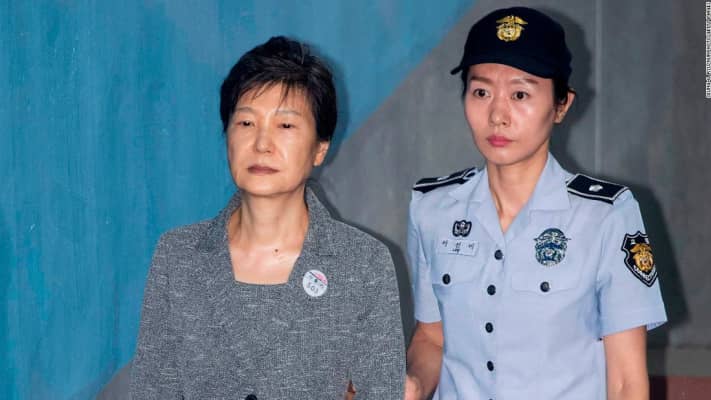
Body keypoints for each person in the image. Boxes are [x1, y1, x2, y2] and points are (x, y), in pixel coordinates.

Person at [404, 7, 666, 400]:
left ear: (561, 105)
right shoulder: (431, 209)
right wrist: (413, 384)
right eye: (481, 92)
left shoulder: (607, 216)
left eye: (520, 94)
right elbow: (432, 338)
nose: (498, 115)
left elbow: (627, 383)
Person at [129, 36, 405, 399]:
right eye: (246, 123)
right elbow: (153, 390)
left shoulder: (363, 263)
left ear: (319, 149)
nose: (261, 144)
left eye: (285, 126)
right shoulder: (177, 256)